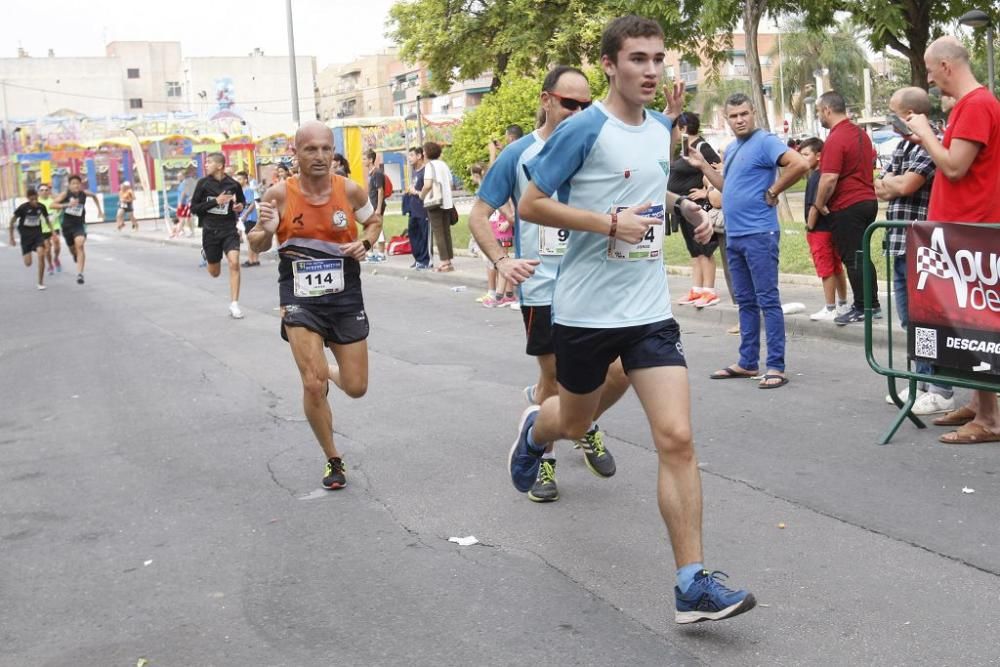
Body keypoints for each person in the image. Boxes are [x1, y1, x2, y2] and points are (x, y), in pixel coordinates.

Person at [516, 15, 756, 622]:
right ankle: (535, 432)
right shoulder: (583, 129)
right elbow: (532, 203)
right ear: (609, 65)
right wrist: (606, 224)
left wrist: (686, 210)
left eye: (658, 59)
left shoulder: (658, 129)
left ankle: (692, 585)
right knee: (572, 422)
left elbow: (650, 189)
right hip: (585, 313)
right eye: (638, 60)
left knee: (676, 438)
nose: (651, 71)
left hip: (648, 311)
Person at [471, 64, 631, 503]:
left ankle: (582, 422)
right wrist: (502, 261)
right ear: (546, 101)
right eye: (569, 103)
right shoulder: (518, 154)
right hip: (543, 287)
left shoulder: (598, 146)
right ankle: (543, 453)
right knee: (554, 375)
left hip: (595, 280)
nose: (579, 111)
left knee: (618, 371)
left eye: (585, 104)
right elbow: (478, 215)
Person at [249, 120, 383, 489]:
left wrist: (366, 244)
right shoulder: (278, 194)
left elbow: (374, 222)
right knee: (312, 384)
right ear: (296, 153)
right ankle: (333, 459)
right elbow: (256, 245)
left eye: (326, 148)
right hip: (300, 299)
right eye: (311, 149)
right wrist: (264, 230)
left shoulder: (350, 191)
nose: (321, 156)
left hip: (344, 297)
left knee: (356, 387)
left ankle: (326, 370)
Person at [906, 36, 1000, 443]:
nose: (929, 79)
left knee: (976, 324)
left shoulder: (977, 104)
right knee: (965, 324)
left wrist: (926, 132)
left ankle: (990, 418)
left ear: (946, 65)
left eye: (929, 70)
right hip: (962, 232)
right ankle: (980, 405)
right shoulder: (973, 105)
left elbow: (956, 167)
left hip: (971, 232)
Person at [689, 93, 809, 389]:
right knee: (744, 301)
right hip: (735, 234)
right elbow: (727, 187)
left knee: (767, 299)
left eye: (744, 114)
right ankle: (747, 362)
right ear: (727, 119)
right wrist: (704, 167)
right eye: (734, 116)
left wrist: (774, 190)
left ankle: (776, 366)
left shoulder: (766, 142)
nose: (740, 120)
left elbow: (800, 164)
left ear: (753, 113)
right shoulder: (731, 149)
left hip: (759, 233)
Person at [874, 87, 955, 416]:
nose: (891, 118)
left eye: (894, 112)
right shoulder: (906, 144)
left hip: (922, 245)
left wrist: (894, 183)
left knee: (927, 320)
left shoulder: (931, 142)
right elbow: (881, 185)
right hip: (898, 243)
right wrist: (893, 182)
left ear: (909, 115)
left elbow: (906, 185)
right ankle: (921, 379)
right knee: (910, 320)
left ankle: (941, 388)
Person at [810, 91, 880, 326]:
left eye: (819, 111)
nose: (819, 115)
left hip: (848, 204)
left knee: (853, 257)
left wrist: (818, 204)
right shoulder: (861, 135)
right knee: (861, 255)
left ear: (828, 110)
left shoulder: (836, 138)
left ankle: (863, 306)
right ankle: (872, 303)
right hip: (867, 200)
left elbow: (828, 178)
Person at [669, 111, 722, 308]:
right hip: (684, 207)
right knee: (693, 249)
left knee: (704, 248)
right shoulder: (684, 148)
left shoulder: (702, 146)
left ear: (682, 127)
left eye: (675, 127)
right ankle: (696, 289)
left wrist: (705, 190)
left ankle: (709, 290)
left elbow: (719, 168)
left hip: (699, 208)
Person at [190, 152, 247, 319]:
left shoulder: (233, 184)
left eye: (208, 162)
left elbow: (241, 202)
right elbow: (194, 209)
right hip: (210, 231)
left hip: (229, 229)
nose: (205, 165)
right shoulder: (203, 184)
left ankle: (234, 304)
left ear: (219, 166)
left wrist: (239, 206)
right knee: (214, 272)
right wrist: (216, 201)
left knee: (234, 263)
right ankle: (208, 255)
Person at [799, 138, 848, 321]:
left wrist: (809, 227)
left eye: (806, 155)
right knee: (837, 267)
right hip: (831, 228)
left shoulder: (816, 177)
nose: (802, 159)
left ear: (819, 156)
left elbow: (814, 206)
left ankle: (830, 307)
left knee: (826, 268)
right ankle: (843, 304)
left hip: (819, 230)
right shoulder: (824, 175)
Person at [49, 174, 103, 285]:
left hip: (79, 224)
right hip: (67, 226)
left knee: (80, 244)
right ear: (69, 185)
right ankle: (74, 255)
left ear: (80, 184)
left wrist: (99, 210)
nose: (76, 185)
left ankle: (80, 274)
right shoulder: (65, 194)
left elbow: (94, 196)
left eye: (78, 183)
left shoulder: (84, 194)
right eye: (73, 183)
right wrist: (67, 205)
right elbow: (52, 205)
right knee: (73, 249)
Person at [420, 141, 456, 272]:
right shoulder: (443, 165)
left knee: (438, 233)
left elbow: (428, 184)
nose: (423, 153)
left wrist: (422, 195)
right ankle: (449, 260)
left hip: (435, 202)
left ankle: (444, 262)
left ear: (427, 152)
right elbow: (451, 183)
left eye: (424, 151)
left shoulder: (430, 166)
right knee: (446, 232)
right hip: (447, 202)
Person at [9, 187, 50, 290]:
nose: (34, 201)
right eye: (32, 199)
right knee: (28, 263)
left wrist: (53, 232)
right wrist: (11, 237)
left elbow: (47, 219)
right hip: (26, 237)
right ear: (28, 199)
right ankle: (30, 249)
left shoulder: (41, 207)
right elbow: (12, 221)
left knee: (41, 254)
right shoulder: (23, 208)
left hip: (38, 235)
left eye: (36, 199)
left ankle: (40, 282)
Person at [402, 146, 431, 270]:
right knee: (414, 235)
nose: (409, 158)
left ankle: (425, 260)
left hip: (423, 210)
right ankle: (418, 259)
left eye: (412, 155)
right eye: (409, 156)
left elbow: (427, 189)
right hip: (413, 210)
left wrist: (415, 192)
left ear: (419, 156)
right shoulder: (414, 171)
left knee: (424, 236)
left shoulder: (426, 171)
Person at [362, 149, 388, 262]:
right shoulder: (370, 173)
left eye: (364, 159)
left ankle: (381, 254)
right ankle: (371, 253)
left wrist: (378, 208)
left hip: (377, 207)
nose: (362, 161)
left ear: (371, 160)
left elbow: (380, 191)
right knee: (371, 229)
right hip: (371, 206)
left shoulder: (377, 173)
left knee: (379, 229)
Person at [37, 183, 62, 273]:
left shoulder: (53, 201)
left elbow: (60, 208)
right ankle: (50, 265)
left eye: (46, 190)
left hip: (54, 227)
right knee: (47, 249)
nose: (44, 192)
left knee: (57, 246)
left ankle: (56, 258)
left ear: (49, 192)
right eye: (42, 190)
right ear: (38, 192)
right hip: (43, 229)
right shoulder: (36, 203)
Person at [236, 171, 260, 267]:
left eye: (240, 179)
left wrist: (245, 215)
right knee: (252, 239)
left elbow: (251, 204)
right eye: (237, 179)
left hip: (249, 218)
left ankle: (251, 260)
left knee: (250, 240)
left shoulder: (248, 190)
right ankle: (255, 260)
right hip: (247, 217)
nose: (238, 181)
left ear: (245, 180)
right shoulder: (242, 190)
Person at [173, 169, 197, 238]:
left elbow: (183, 193)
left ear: (183, 176)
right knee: (182, 218)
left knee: (184, 218)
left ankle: (182, 232)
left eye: (179, 176)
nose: (178, 177)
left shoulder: (185, 183)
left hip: (184, 203)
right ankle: (183, 231)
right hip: (183, 203)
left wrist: (180, 202)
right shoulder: (182, 183)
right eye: (177, 176)